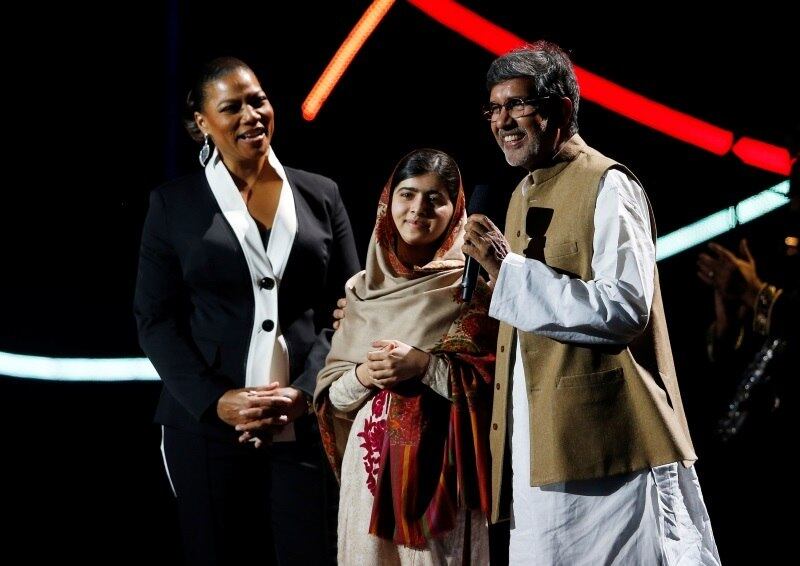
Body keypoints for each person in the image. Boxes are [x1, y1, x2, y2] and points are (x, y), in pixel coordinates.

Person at [461, 42, 720, 564]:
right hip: (541, 449)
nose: (503, 121)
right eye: (494, 108)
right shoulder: (520, 193)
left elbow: (624, 309)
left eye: (518, 105)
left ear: (561, 108)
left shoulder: (609, 184)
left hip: (610, 450)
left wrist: (509, 272)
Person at [134, 56, 359, 565]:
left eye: (257, 100)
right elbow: (155, 320)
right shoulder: (173, 205)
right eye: (231, 107)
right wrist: (217, 401)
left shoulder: (320, 194)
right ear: (202, 123)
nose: (251, 115)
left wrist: (304, 392)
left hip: (303, 423)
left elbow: (348, 310)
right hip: (207, 427)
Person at [314, 149, 498, 565]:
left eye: (435, 199)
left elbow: (494, 388)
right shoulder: (361, 291)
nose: (418, 209)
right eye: (407, 194)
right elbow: (333, 401)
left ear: (455, 211)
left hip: (442, 478)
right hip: (368, 477)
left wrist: (423, 365)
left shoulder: (473, 290)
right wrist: (363, 374)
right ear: (387, 202)